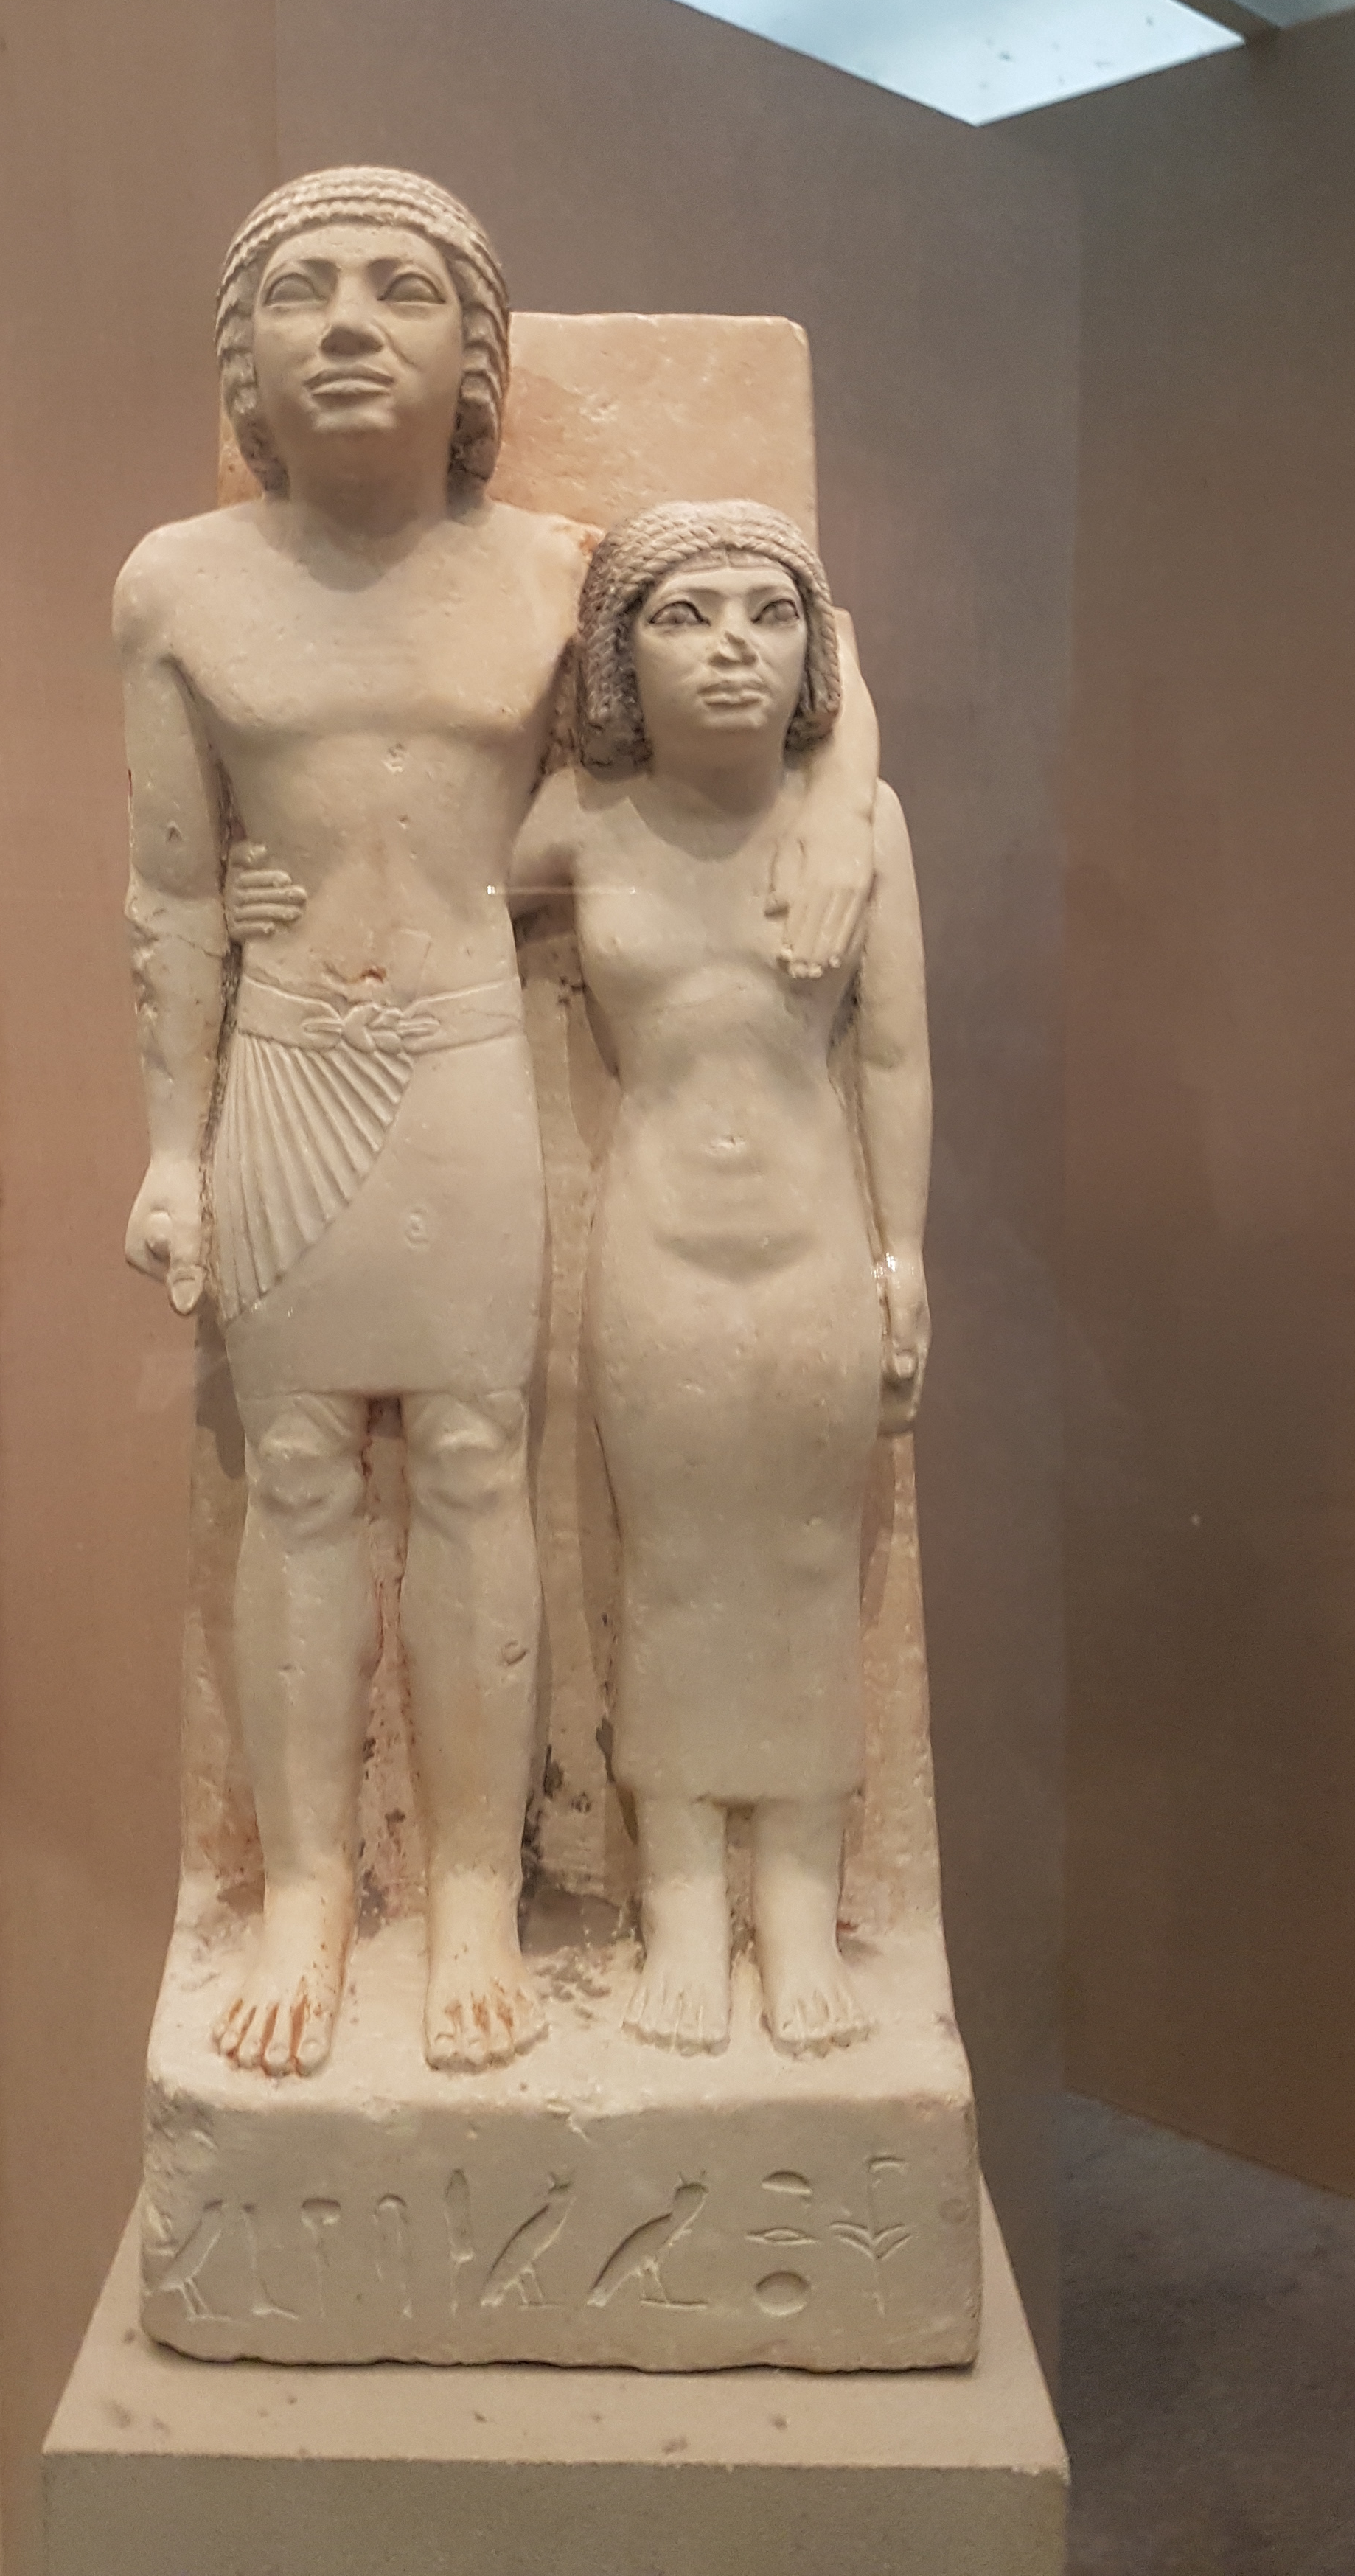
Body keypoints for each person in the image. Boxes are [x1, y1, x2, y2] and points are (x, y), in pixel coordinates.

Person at [118, 173, 879, 2078]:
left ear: (476, 355)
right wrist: (171, 1149)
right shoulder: (179, 587)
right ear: (244, 355)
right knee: (298, 1470)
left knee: (473, 1457)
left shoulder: (555, 570)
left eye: (400, 289)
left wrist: (843, 806)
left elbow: (797, 635)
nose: (346, 325)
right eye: (300, 291)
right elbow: (173, 888)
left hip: (465, 1050)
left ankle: (469, 1885)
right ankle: (310, 1888)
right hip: (291, 1059)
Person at [509, 501, 932, 2055]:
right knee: (673, 1567)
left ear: (815, 650)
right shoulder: (579, 822)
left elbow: (895, 1055)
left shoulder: (859, 833)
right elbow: (426, 894)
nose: (734, 646)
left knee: (814, 1564)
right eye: (685, 616)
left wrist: (904, 1254)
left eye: (772, 612)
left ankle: (799, 1900)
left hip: (815, 1239)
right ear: (619, 659)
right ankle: (685, 1897)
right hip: (657, 1246)